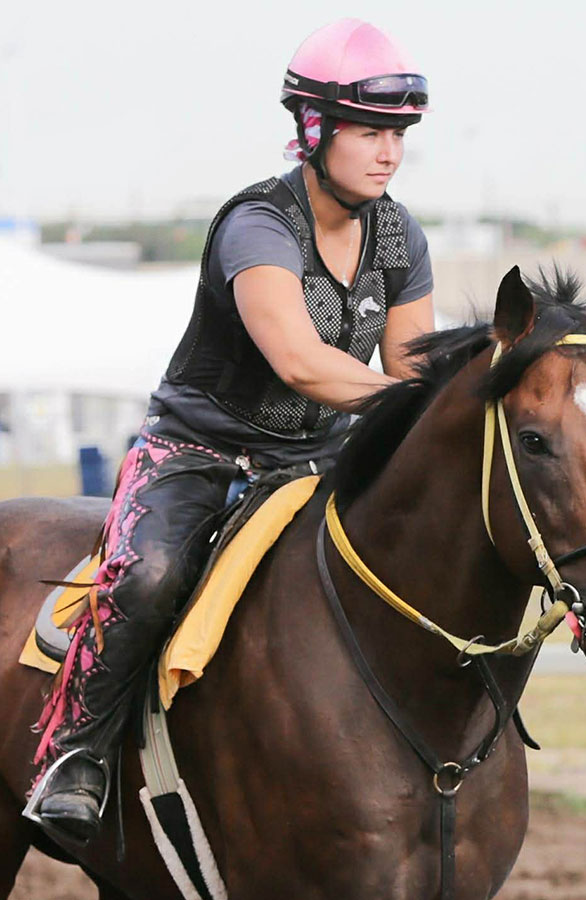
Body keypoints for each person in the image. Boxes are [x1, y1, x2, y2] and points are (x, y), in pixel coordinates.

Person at [29, 17, 433, 840]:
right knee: (146, 578)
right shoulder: (258, 225)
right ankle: (73, 754)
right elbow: (300, 361)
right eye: (367, 130)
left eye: (397, 133)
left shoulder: (400, 234)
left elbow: (415, 367)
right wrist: (414, 403)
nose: (387, 150)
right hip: (197, 452)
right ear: (313, 129)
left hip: (317, 459)